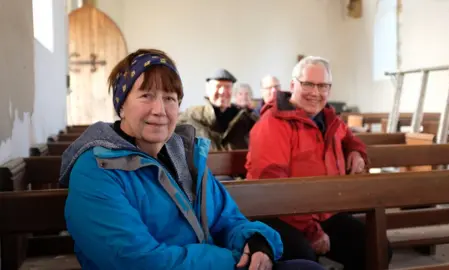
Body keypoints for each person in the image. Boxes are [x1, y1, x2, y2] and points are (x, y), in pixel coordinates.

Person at [59, 49, 325, 270]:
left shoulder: (183, 158)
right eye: (146, 96)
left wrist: (256, 241)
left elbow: (227, 219)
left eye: (170, 98)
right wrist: (232, 260)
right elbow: (139, 261)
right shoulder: (95, 172)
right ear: (121, 104)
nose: (160, 110)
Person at [245, 56, 392, 269]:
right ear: (293, 85)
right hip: (280, 216)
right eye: (308, 84)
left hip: (325, 212)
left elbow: (350, 138)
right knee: (305, 258)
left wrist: (355, 151)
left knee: (376, 248)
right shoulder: (272, 124)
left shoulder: (329, 118)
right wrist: (311, 230)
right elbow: (271, 189)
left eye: (322, 86)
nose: (315, 92)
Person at [177, 69, 258, 151]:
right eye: (218, 86)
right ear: (208, 90)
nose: (222, 91)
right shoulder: (192, 116)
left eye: (227, 87)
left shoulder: (246, 119)